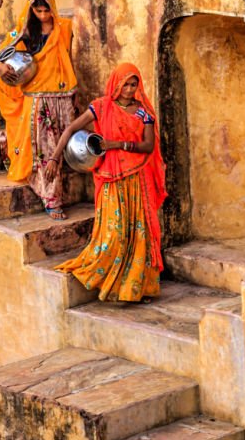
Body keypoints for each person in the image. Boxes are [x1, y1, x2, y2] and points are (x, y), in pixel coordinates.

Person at [53, 63, 167, 302]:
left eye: (133, 84)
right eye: (125, 83)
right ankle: (109, 280)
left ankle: (134, 288)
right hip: (111, 178)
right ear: (116, 83)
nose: (129, 88)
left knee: (139, 232)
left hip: (138, 177)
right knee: (114, 232)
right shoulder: (101, 107)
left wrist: (117, 144)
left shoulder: (143, 112)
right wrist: (55, 158)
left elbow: (148, 146)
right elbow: (71, 128)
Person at [0, 0, 78, 220]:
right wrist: (2, 68)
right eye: (38, 10)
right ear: (32, 10)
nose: (42, 15)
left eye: (46, 10)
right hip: (38, 101)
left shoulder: (64, 28)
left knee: (62, 147)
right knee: (46, 151)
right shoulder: (25, 31)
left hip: (62, 96)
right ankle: (51, 199)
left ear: (52, 9)